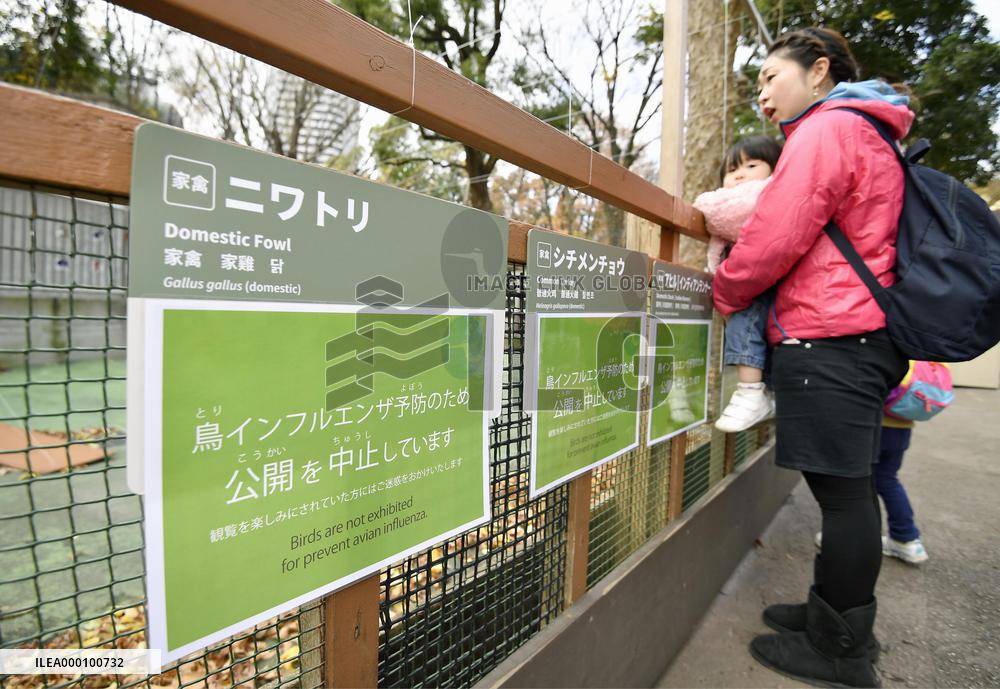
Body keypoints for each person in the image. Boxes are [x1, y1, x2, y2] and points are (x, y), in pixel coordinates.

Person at [711, 27, 913, 688]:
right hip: (857, 332)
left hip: (833, 332)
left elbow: (777, 233)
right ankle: (830, 614)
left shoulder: (828, 131)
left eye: (772, 75)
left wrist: (726, 287)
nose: (763, 91)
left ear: (819, 70)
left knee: (845, 494)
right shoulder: (868, 128)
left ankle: (842, 649)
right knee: (843, 489)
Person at [693, 136, 783, 432]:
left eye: (751, 165)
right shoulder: (732, 208)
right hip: (746, 283)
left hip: (757, 280)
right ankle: (760, 391)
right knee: (751, 329)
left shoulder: (770, 194)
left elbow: (717, 214)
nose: (740, 174)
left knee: (748, 325)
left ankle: (751, 391)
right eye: (732, 170)